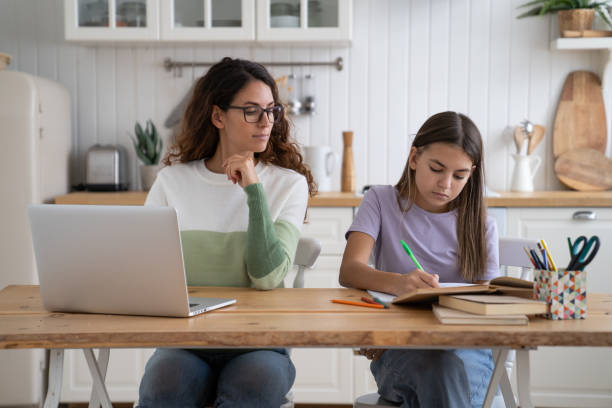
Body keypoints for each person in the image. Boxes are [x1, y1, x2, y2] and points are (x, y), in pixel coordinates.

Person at [137, 57, 315, 408]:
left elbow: (267, 277)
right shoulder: (171, 183)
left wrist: (254, 191)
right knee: (164, 385)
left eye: (271, 110)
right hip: (185, 343)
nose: (266, 122)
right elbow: (146, 274)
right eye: (251, 111)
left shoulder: (288, 185)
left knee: (255, 384)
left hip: (260, 343)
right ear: (218, 117)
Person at [339, 111, 499, 408]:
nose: (446, 184)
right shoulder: (380, 200)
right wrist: (400, 284)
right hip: (401, 348)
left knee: (450, 378)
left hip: (468, 350)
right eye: (436, 168)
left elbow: (486, 307)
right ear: (414, 158)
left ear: (472, 173)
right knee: (441, 374)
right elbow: (350, 270)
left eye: (460, 175)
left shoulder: (482, 225)